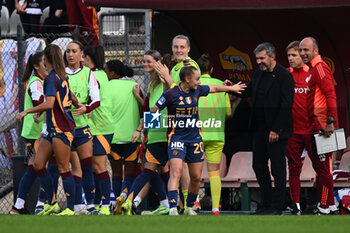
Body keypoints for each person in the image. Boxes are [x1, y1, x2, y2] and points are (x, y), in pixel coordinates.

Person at [153, 61, 246, 215]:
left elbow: (215, 88)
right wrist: (150, 127)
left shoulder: (197, 91)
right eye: (197, 79)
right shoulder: (171, 94)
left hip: (195, 139)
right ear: (187, 79)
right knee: (175, 172)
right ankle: (172, 207)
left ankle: (189, 207)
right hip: (177, 138)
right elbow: (154, 109)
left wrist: (231, 88)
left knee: (196, 177)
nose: (199, 82)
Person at [228, 42, 294, 215]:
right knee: (259, 166)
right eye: (257, 58)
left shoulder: (284, 76)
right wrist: (231, 88)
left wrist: (276, 130)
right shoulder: (258, 74)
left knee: (278, 169)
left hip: (276, 132)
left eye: (262, 58)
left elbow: (286, 105)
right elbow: (247, 91)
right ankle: (265, 205)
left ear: (272, 56)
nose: (259, 62)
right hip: (258, 130)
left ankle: (277, 206)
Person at [15, 44, 78, 216]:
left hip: (61, 129)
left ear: (45, 60)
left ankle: (71, 209)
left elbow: (50, 103)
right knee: (37, 164)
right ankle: (51, 202)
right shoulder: (61, 76)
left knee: (64, 168)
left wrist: (27, 111)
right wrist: (80, 105)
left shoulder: (51, 78)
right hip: (52, 129)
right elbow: (68, 97)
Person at [120, 50, 171, 215]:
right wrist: (143, 130)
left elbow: (162, 106)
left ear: (158, 62)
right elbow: (150, 109)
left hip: (167, 132)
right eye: (144, 61)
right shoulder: (151, 83)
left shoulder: (167, 80)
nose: (145, 64)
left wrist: (140, 129)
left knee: (155, 169)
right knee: (154, 169)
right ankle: (166, 204)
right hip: (155, 133)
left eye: (149, 61)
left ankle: (130, 201)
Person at [299, 37, 339, 215]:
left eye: (306, 50)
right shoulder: (314, 69)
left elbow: (331, 94)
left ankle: (324, 205)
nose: (302, 53)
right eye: (301, 50)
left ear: (315, 50)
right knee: (320, 168)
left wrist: (330, 121)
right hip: (317, 126)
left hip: (323, 127)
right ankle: (330, 205)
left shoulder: (321, 68)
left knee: (323, 169)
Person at [65, 40, 101, 215]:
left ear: (81, 55)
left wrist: (86, 108)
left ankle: (91, 205)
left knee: (87, 167)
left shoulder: (88, 74)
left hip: (81, 128)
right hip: (64, 128)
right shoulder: (59, 74)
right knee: (67, 168)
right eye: (68, 51)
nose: (70, 55)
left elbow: (96, 99)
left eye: (74, 51)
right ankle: (73, 205)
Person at [10, 52, 47, 214]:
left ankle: (19, 206)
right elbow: (40, 104)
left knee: (34, 167)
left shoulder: (41, 81)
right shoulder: (36, 83)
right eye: (44, 63)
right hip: (35, 134)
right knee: (41, 167)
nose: (47, 65)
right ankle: (42, 203)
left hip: (36, 133)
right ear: (36, 66)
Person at [103, 59, 142, 215]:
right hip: (132, 136)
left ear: (112, 73)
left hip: (112, 137)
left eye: (106, 71)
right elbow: (142, 109)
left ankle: (114, 203)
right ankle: (124, 199)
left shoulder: (105, 87)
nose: (104, 73)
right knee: (130, 173)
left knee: (116, 173)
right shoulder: (134, 86)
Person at [196, 54, 231, 215]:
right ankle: (215, 208)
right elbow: (228, 113)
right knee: (214, 172)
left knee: (193, 170)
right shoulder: (220, 85)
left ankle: (194, 201)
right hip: (217, 134)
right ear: (212, 69)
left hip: (198, 133)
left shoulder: (193, 84)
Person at [83, 45, 113, 215]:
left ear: (87, 58)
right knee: (94, 167)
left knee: (99, 166)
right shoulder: (99, 74)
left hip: (101, 127)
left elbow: (90, 99)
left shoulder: (93, 76)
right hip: (95, 127)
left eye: (82, 57)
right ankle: (95, 203)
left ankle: (105, 204)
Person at [284, 41, 312, 215]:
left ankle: (325, 204)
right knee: (294, 168)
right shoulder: (286, 75)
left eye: (294, 55)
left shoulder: (313, 74)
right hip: (292, 131)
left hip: (311, 130)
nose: (291, 58)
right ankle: (296, 205)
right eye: (289, 55)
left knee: (320, 167)